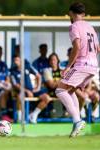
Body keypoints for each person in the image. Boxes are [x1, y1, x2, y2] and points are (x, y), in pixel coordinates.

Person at [55, 2, 100, 137]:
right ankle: (77, 121)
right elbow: (97, 49)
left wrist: (68, 67)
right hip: (93, 66)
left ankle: (77, 120)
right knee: (70, 90)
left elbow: (76, 47)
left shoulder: (74, 26)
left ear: (71, 13)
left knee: (60, 89)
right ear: (83, 14)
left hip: (82, 64)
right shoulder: (91, 27)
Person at [11, 55, 51, 123]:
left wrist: (38, 87)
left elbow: (38, 75)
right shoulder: (13, 71)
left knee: (47, 98)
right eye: (14, 60)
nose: (16, 62)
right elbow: (15, 85)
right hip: (22, 91)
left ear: (21, 61)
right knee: (20, 96)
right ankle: (20, 118)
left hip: (32, 90)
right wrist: (26, 91)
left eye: (17, 60)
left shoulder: (28, 67)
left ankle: (33, 115)